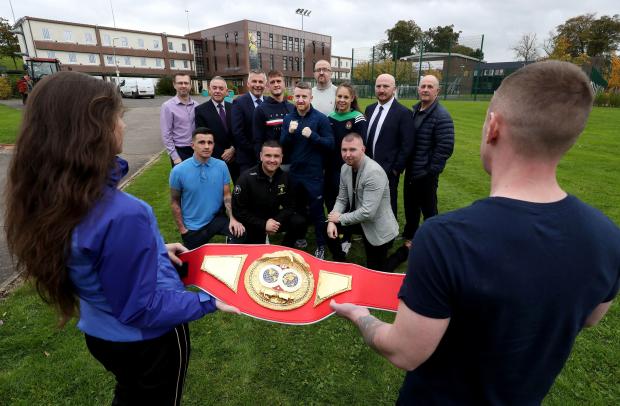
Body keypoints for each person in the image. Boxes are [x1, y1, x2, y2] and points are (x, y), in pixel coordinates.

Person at [331, 61, 620, 404]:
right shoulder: (607, 238)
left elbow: (404, 352)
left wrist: (362, 317)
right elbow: (590, 317)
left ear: (493, 127)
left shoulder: (443, 239)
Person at [5, 71, 240, 405]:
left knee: (130, 394)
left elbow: (96, 257)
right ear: (92, 129)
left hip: (101, 334)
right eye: (118, 116)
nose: (124, 125)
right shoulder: (126, 213)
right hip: (148, 342)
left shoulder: (53, 197)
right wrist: (207, 301)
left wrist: (156, 248)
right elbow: (141, 308)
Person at [385, 74, 455, 271]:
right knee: (410, 206)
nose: (425, 89)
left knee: (429, 209)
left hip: (426, 174)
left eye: (430, 87)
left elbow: (445, 147)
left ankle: (434, 240)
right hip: (412, 171)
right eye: (423, 86)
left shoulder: (441, 115)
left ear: (437, 91)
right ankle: (410, 235)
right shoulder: (415, 111)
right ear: (418, 89)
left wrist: (430, 170)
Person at [327, 133, 399, 270]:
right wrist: (332, 220)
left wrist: (339, 218)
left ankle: (403, 252)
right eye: (344, 150)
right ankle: (343, 265)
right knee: (326, 228)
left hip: (376, 224)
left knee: (378, 272)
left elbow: (368, 213)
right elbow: (342, 199)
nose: (347, 154)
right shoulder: (345, 168)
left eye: (352, 149)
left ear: (363, 150)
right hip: (358, 219)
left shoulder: (373, 172)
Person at [280, 82, 334, 259]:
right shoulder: (288, 119)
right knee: (297, 210)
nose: (301, 100)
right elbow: (283, 147)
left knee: (317, 211)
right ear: (293, 98)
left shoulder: (320, 119)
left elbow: (330, 145)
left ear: (311, 97)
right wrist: (289, 133)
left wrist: (314, 136)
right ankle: (300, 238)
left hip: (314, 175)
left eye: (304, 96)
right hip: (295, 174)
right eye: (298, 96)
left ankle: (320, 244)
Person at [170, 127, 245, 250]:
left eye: (210, 143)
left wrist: (232, 218)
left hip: (216, 219)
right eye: (202, 142)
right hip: (193, 226)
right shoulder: (178, 171)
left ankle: (228, 259)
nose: (206, 146)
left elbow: (226, 195)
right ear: (192, 145)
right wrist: (183, 230)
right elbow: (174, 202)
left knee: (240, 233)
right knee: (192, 263)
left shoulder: (221, 166)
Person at [232, 140, 306, 246]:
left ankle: (284, 249)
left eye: (276, 156)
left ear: (281, 158)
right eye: (268, 156)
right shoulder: (246, 178)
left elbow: (290, 206)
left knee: (299, 221)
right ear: (261, 156)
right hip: (252, 222)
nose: (272, 160)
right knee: (256, 254)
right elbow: (238, 210)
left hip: (274, 219)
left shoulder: (285, 177)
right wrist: (263, 225)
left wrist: (275, 222)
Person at [364, 73, 414, 216]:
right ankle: (369, 230)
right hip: (367, 166)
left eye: (386, 86)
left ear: (394, 89)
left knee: (387, 202)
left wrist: (396, 169)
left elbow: (407, 144)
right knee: (368, 199)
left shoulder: (403, 113)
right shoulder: (370, 109)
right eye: (378, 86)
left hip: (388, 169)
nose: (381, 90)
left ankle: (389, 235)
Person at [326, 82, 368, 255]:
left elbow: (362, 146)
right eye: (339, 96)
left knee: (348, 204)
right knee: (331, 200)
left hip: (350, 169)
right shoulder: (330, 117)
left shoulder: (358, 118)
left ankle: (347, 237)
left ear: (352, 99)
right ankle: (333, 229)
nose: (342, 100)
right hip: (331, 168)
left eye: (346, 97)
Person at [195, 77, 238, 181]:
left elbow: (239, 131)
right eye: (214, 88)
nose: (217, 91)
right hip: (214, 158)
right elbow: (203, 137)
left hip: (236, 156)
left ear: (226, 92)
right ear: (210, 90)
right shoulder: (200, 110)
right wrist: (223, 155)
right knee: (217, 191)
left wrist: (233, 149)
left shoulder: (234, 107)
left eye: (221, 88)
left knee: (240, 189)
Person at [231, 70, 268, 174]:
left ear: (265, 84)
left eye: (260, 82)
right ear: (248, 84)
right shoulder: (239, 103)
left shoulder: (269, 102)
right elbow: (237, 132)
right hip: (247, 159)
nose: (257, 85)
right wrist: (256, 150)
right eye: (254, 81)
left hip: (268, 158)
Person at [252, 70, 294, 160]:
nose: (276, 84)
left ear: (284, 84)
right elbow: (257, 140)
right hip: (272, 162)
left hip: (292, 161)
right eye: (272, 82)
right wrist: (261, 162)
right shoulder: (260, 110)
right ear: (268, 86)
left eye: (278, 81)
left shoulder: (292, 108)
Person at [160, 73, 197, 166]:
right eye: (180, 83)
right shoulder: (167, 106)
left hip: (196, 150)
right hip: (180, 151)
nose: (183, 86)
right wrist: (175, 156)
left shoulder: (197, 105)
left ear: (190, 85)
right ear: (174, 85)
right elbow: (166, 134)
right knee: (182, 180)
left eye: (186, 83)